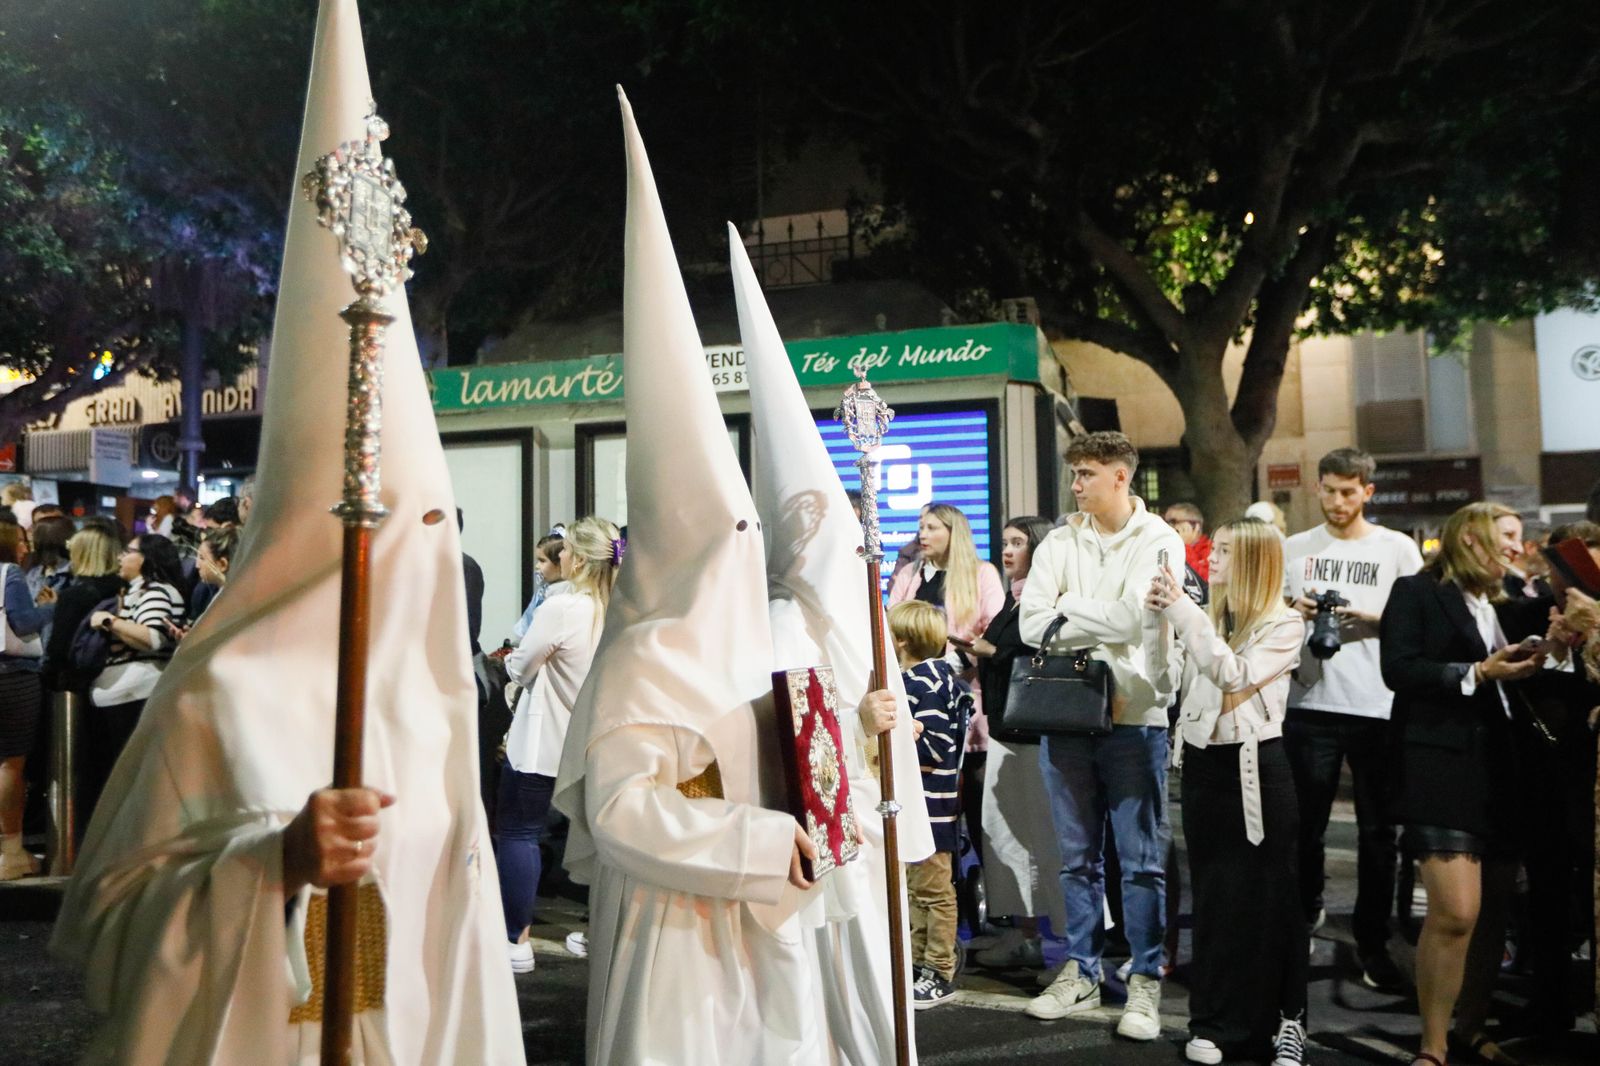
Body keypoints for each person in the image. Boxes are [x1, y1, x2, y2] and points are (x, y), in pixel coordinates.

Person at [50, 3, 526, 1058]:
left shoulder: (433, 693)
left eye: (436, 525)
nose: (425, 554)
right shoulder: (221, 690)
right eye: (406, 523)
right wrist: (274, 861)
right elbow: (119, 929)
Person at [1019, 430, 1184, 1040]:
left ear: (1121, 475)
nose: (1075, 484)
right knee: (1076, 858)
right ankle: (1082, 970)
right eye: (1075, 473)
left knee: (1141, 862)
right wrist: (1102, 618)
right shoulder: (1060, 540)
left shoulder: (1160, 539)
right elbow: (1032, 624)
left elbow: (1138, 621)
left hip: (1136, 716)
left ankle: (1143, 977)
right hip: (1065, 712)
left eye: (1086, 473)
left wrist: (1072, 607)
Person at [1380, 502, 1546, 1066]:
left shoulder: (1508, 605)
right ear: (1470, 540)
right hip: (1439, 767)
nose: (1515, 548)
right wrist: (1476, 673)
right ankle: (1433, 1045)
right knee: (1456, 912)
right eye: (1505, 537)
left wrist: (1545, 652)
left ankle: (1472, 1027)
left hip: (1501, 768)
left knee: (1493, 911)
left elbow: (1529, 675)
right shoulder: (1417, 592)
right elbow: (1399, 670)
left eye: (1519, 538)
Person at [1146, 518, 1308, 1065]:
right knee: (1213, 901)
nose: (1211, 559)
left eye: (1225, 552)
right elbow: (1168, 682)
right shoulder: (1208, 617)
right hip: (1203, 769)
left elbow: (1233, 673)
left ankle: (1286, 1019)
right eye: (1213, 549)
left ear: (1256, 563)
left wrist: (1183, 613)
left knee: (1271, 901)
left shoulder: (1284, 625)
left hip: (1258, 770)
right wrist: (1160, 623)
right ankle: (1212, 1023)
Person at [1282, 447, 1423, 991]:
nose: (1337, 502)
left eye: (1348, 491)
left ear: (1368, 491)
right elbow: (1270, 615)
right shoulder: (1295, 548)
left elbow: (1419, 622)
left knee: (1377, 834)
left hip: (1379, 705)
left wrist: (1371, 617)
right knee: (1305, 828)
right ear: (1317, 488)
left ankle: (1372, 939)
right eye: (1328, 490)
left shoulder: (1397, 549)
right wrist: (1294, 612)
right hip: (1311, 704)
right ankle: (1306, 910)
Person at [497, 515, 619, 974]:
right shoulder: (617, 606)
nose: (558, 554)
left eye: (565, 548)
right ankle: (596, 931)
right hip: (596, 743)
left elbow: (521, 666)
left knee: (519, 832)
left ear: (581, 559)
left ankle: (516, 940)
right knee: (601, 841)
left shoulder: (562, 606)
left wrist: (513, 661)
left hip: (544, 741)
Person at [969, 515, 1066, 971]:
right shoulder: (1012, 599)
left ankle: (1070, 952)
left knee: (1048, 844)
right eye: (1004, 542)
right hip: (1005, 732)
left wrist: (992, 651)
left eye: (1017, 543)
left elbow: (1038, 649)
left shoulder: (1045, 599)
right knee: (1006, 839)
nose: (1007, 551)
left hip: (1035, 736)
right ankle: (1023, 935)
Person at [889, 599, 972, 1009]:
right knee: (917, 889)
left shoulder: (924, 682)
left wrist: (907, 730)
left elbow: (937, 744)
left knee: (934, 891)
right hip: (922, 807)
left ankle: (939, 968)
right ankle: (919, 963)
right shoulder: (926, 679)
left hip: (932, 808)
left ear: (901, 641)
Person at [0, 523, 54, 880]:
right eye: (20, 540)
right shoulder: (10, 574)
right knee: (9, 764)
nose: (25, 547)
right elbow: (22, 622)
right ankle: (10, 852)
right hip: (11, 675)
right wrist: (52, 608)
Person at [41, 526, 124, 697]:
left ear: (81, 554)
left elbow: (58, 648)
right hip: (121, 675)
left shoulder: (75, 596)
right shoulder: (125, 588)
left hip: (78, 684)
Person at [508, 533, 565, 645]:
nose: (537, 566)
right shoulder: (542, 590)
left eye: (542, 561)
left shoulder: (566, 592)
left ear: (560, 563)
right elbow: (526, 628)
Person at [186, 525, 239, 624]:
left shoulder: (230, 604)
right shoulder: (222, 594)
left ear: (222, 564)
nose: (197, 565)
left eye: (202, 558)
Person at [1165, 502, 1212, 583]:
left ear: (1195, 526)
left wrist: (1183, 546)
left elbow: (1204, 580)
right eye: (1166, 522)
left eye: (1173, 522)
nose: (1168, 527)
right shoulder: (1166, 548)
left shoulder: (1211, 549)